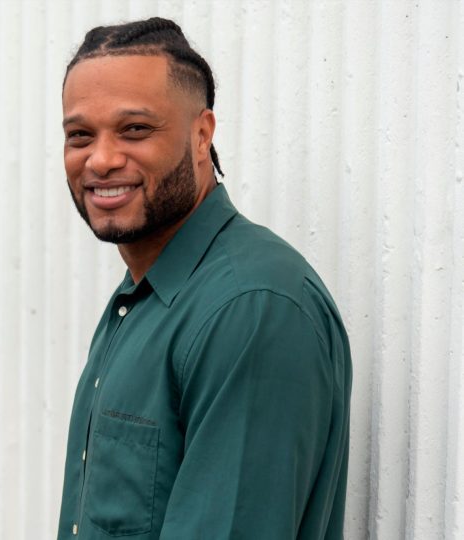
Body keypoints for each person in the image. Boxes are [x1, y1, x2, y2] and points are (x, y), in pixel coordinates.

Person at [57, 17, 352, 539]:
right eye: (80, 135)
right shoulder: (142, 297)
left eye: (135, 129)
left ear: (201, 135)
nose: (101, 160)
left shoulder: (251, 308)